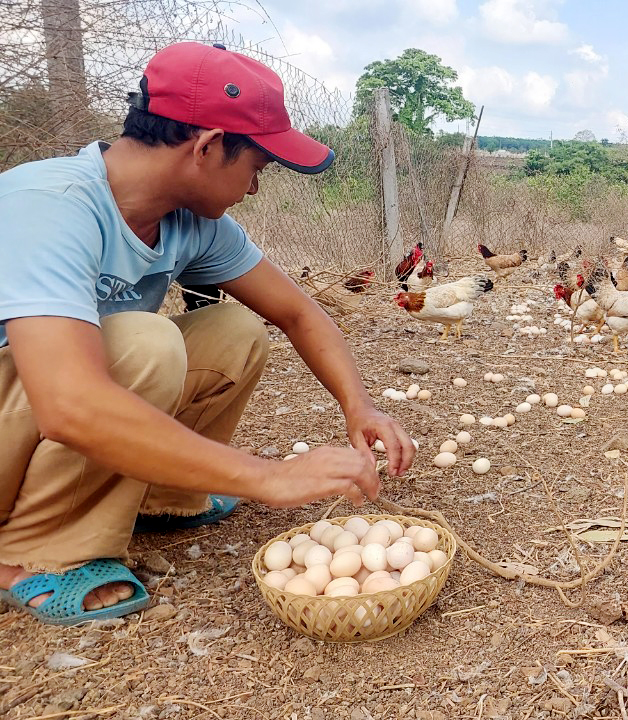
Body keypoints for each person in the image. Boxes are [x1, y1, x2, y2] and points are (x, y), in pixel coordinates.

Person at [0, 42, 415, 625]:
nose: (254, 187)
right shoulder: (50, 205)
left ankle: (163, 498)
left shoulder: (189, 221)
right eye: (257, 167)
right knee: (145, 344)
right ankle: (33, 552)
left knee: (233, 330)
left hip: (25, 418)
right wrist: (267, 477)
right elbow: (69, 406)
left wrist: (358, 406)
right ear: (210, 146)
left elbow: (298, 313)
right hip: (22, 423)